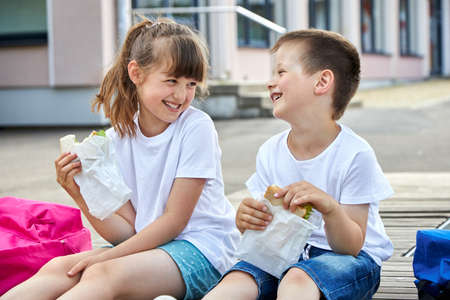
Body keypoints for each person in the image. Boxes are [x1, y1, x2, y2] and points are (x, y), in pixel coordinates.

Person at [2, 18, 239, 300]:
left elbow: (174, 221)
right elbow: (127, 233)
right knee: (59, 268)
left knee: (101, 274)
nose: (182, 95)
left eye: (190, 84)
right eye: (171, 80)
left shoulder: (196, 128)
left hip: (204, 251)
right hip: (151, 249)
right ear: (136, 73)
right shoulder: (115, 141)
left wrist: (104, 259)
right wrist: (79, 193)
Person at [203, 29, 393, 300]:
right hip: (284, 252)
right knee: (240, 277)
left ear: (322, 81)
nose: (270, 82)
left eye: (281, 72)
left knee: (297, 278)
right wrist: (246, 219)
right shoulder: (270, 151)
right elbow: (269, 231)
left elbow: (350, 245)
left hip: (350, 261)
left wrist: (329, 207)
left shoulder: (355, 154)